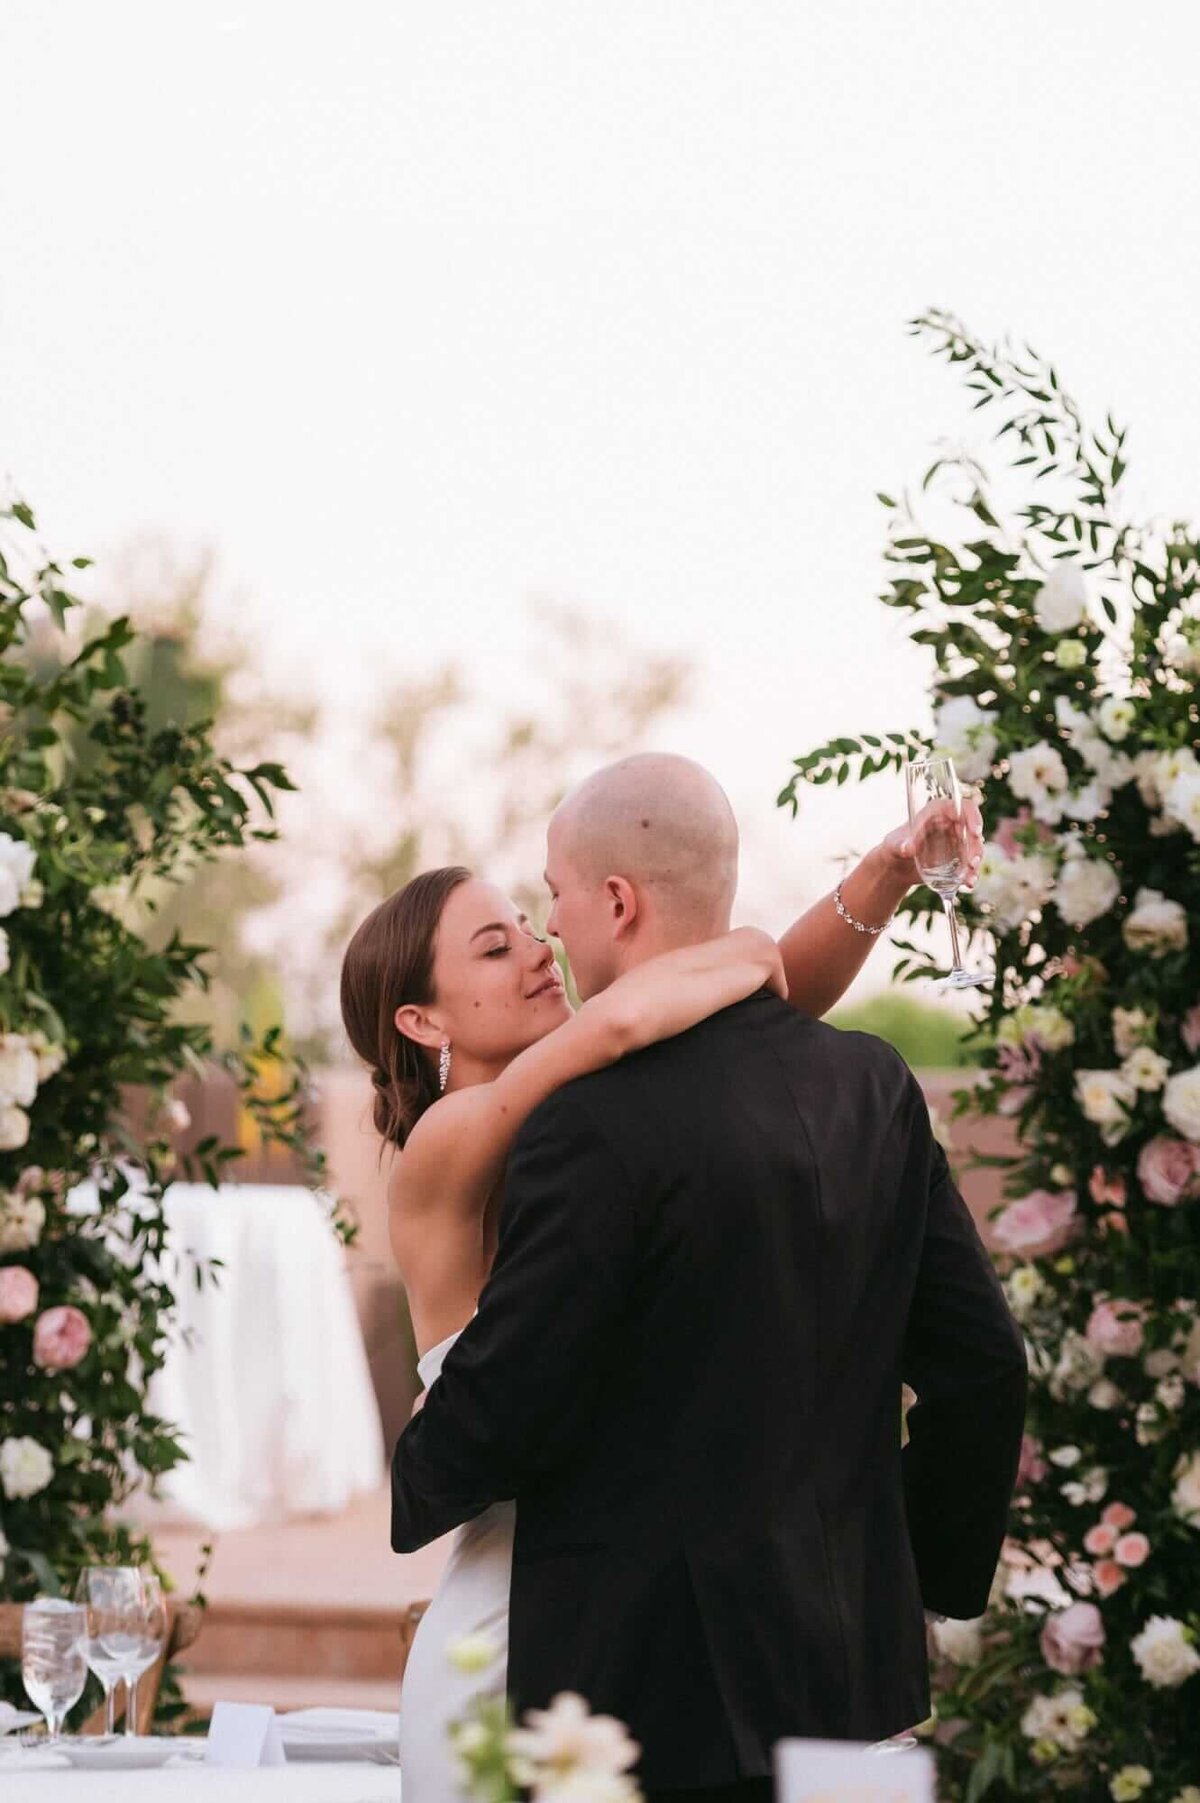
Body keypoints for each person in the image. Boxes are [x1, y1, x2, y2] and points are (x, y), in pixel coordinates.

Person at [349, 760, 1015, 1800]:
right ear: (421, 1023)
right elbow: (663, 1013)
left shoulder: (594, 1101)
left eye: (533, 920)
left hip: (618, 1622)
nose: (540, 946)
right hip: (521, 1610)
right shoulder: (457, 1138)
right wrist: (739, 949)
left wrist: (878, 881)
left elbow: (724, 1029)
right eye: (496, 946)